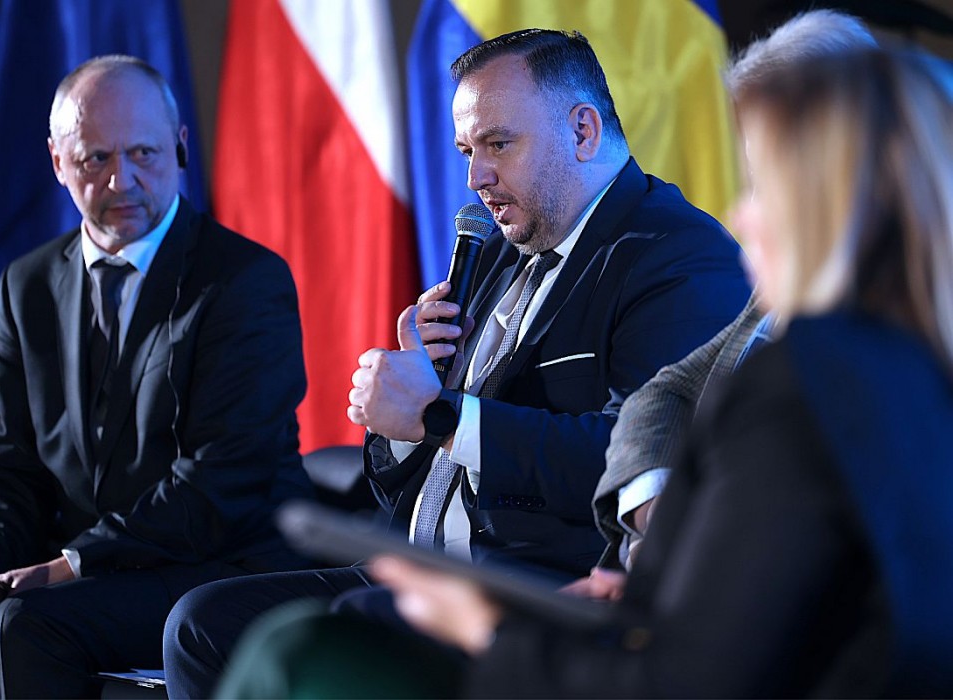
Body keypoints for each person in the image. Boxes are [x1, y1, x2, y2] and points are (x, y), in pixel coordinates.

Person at [164, 28, 749, 698]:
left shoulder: (677, 255)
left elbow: (627, 457)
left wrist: (440, 415)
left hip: (541, 583)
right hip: (418, 563)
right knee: (202, 623)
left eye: (498, 144)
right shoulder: (496, 247)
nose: (476, 179)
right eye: (468, 152)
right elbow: (402, 480)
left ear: (583, 131)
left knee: (339, 635)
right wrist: (408, 403)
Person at [371, 43, 953, 697]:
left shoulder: (794, 386)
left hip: (536, 601)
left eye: (764, 190)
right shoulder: (900, 373)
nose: (740, 218)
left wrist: (489, 629)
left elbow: (685, 681)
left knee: (309, 645)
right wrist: (416, 396)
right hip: (507, 583)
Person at [0, 55, 312, 698]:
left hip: (215, 569)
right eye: (95, 158)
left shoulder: (244, 281)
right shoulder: (29, 284)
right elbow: (11, 466)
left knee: (25, 626)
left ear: (180, 147)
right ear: (57, 161)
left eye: (143, 153)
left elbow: (219, 483)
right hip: (75, 573)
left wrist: (67, 566)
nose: (122, 180)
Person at [593, 9, 877, 570]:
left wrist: (672, 557)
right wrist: (653, 508)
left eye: (767, 185)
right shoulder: (778, 293)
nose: (739, 216)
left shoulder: (891, 334)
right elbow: (662, 392)